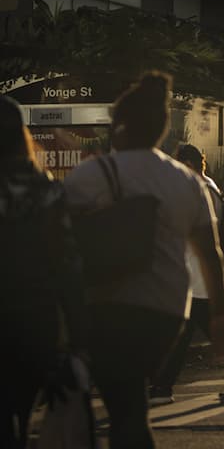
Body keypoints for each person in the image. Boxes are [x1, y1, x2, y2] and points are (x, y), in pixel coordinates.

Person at [63, 72, 224, 448]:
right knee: (130, 400)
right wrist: (221, 316)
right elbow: (212, 253)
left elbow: (57, 238)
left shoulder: (93, 174)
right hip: (167, 312)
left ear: (120, 127)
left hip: (107, 305)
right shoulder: (187, 182)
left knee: (123, 405)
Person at [1, 96, 88, 449]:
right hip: (37, 322)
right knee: (22, 412)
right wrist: (79, 338)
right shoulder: (47, 191)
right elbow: (67, 266)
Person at [149, 145, 224, 405]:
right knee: (195, 331)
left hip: (199, 276)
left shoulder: (199, 190)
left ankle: (163, 388)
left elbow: (196, 234)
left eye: (179, 165)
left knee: (186, 332)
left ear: (188, 164)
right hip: (197, 276)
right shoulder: (208, 186)